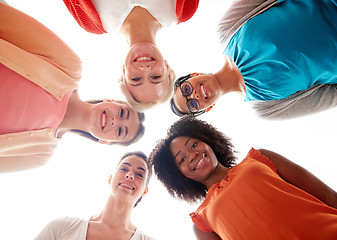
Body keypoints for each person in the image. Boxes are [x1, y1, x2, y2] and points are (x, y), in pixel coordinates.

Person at [0, 2, 145, 173]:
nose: (115, 121)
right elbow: (6, 21)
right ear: (110, 100)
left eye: (120, 131)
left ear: (105, 142)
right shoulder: (69, 65)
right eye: (122, 113)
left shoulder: (39, 155)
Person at [149, 116, 337, 239]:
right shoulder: (202, 222)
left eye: (193, 144)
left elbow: (326, 194)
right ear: (179, 175)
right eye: (182, 159)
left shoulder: (260, 158)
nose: (192, 155)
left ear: (207, 141)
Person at [171, 0, 337, 119]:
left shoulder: (227, 29)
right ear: (208, 109)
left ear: (194, 74)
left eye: (186, 89)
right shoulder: (267, 109)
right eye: (193, 105)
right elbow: (332, 97)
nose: (194, 95)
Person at [63, 0, 199, 111]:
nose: (145, 69)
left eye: (136, 78)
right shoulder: (184, 8)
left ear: (123, 72)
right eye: (156, 76)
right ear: (166, 67)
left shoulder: (90, 21)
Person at [35, 151, 155, 240]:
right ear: (110, 178)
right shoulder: (62, 227)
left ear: (145, 191)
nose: (130, 175)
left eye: (140, 174)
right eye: (124, 169)